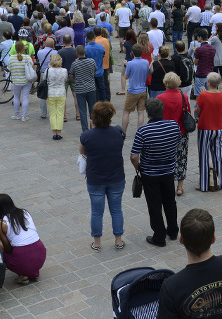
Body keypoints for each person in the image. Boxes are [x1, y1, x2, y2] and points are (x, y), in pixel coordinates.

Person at [130, 98, 182, 247]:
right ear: (162, 111)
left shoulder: (143, 131)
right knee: (170, 202)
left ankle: (159, 236)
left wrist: (138, 167)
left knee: (154, 205)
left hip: (150, 174)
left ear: (148, 113)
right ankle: (172, 231)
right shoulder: (173, 125)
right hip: (168, 171)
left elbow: (134, 156)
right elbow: (178, 143)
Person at [80, 101, 126, 251]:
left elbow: (82, 153)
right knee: (116, 210)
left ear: (94, 118)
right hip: (116, 177)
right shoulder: (118, 132)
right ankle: (118, 241)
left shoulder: (86, 136)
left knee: (96, 212)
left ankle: (97, 242)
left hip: (96, 179)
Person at [0, 193, 47, 284]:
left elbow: (8, 249)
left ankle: (24, 274)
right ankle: (32, 272)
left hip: (22, 258)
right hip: (41, 254)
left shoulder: (2, 224)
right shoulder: (25, 212)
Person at [195, 71, 222, 192]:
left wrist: (201, 96)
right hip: (218, 127)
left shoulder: (203, 96)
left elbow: (198, 111)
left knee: (203, 156)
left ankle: (204, 184)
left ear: (209, 83)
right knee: (218, 156)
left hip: (205, 128)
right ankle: (220, 182)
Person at [121, 43, 149, 135]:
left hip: (133, 91)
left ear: (132, 52)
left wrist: (125, 65)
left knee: (126, 112)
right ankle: (140, 133)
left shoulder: (130, 63)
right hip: (143, 90)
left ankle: (123, 132)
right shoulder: (145, 62)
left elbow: (126, 77)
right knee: (141, 112)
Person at [71, 45, 98, 132]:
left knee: (82, 111)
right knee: (92, 109)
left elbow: (71, 76)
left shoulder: (75, 64)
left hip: (80, 89)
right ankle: (93, 127)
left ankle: (85, 130)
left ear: (77, 53)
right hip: (91, 88)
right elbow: (95, 71)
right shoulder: (92, 61)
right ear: (85, 52)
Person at [6, 41, 33, 121]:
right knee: (25, 97)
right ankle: (24, 116)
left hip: (16, 81)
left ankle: (17, 115)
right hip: (26, 81)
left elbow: (9, 69)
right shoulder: (27, 57)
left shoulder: (11, 58)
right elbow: (31, 66)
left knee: (16, 97)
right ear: (23, 48)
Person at [45, 53, 68, 140]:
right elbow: (65, 80)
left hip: (50, 93)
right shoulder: (64, 70)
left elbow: (44, 79)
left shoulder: (48, 70)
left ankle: (54, 133)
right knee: (60, 113)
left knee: (52, 113)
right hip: (61, 93)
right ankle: (59, 132)